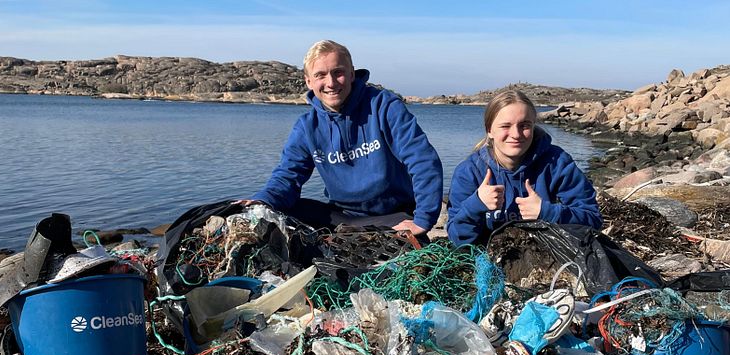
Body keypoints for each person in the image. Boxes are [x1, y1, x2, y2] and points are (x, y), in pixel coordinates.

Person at [239, 40, 443, 236]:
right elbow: (287, 176)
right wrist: (262, 201)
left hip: (395, 214)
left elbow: (422, 160)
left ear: (352, 73)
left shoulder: (384, 106)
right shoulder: (306, 127)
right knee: (280, 210)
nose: (331, 83)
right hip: (344, 217)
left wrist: (422, 220)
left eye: (338, 73)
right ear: (309, 81)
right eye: (321, 75)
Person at [446, 90, 602, 246]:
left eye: (524, 125)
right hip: (490, 257)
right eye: (505, 126)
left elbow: (593, 219)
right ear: (489, 130)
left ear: (533, 126)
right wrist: (476, 205)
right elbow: (458, 239)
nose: (516, 134)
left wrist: (548, 212)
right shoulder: (469, 172)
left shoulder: (556, 163)